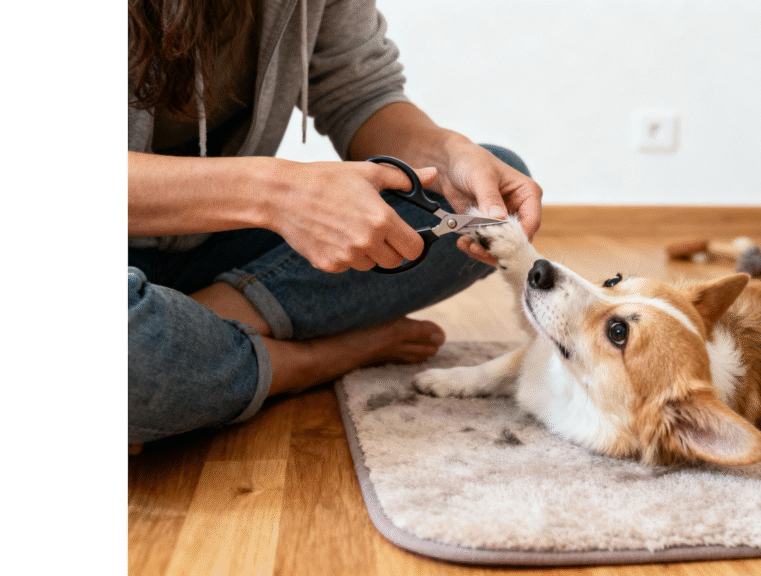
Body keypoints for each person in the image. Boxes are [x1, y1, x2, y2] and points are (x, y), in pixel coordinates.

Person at [127, 0, 543, 448]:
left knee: (488, 189)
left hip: (207, 247)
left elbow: (360, 95)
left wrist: (448, 157)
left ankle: (192, 329)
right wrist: (275, 192)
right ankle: (309, 360)